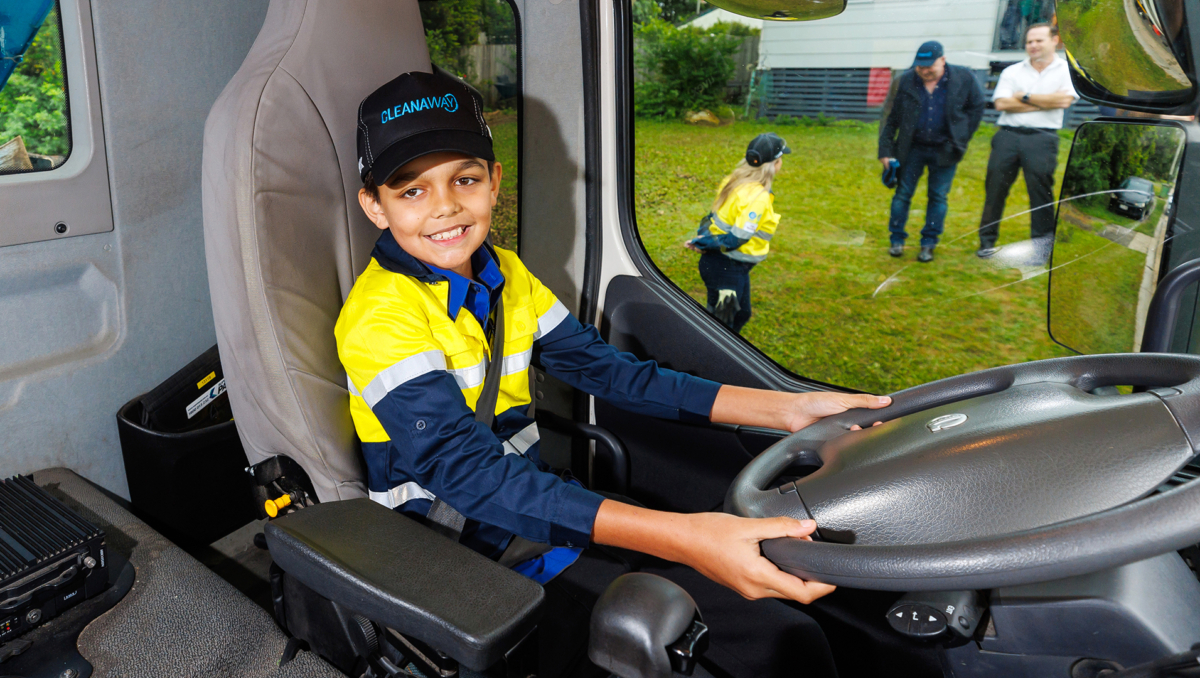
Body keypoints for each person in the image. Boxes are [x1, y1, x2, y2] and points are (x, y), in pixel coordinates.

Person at [336, 70, 891, 677]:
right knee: (770, 644)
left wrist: (787, 408)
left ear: (494, 183)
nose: (445, 206)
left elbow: (610, 371)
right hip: (457, 561)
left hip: (540, 512)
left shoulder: (506, 274)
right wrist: (685, 536)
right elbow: (469, 476)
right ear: (375, 206)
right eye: (411, 191)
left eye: (464, 179)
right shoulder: (378, 320)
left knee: (783, 631)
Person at [878, 41, 986, 263]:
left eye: (930, 66)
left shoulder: (963, 78)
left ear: (943, 60)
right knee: (902, 195)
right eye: (920, 66)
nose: (924, 71)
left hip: (945, 150)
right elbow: (889, 119)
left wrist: (961, 138)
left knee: (938, 196)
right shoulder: (904, 81)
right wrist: (886, 151)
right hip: (911, 149)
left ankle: (928, 244)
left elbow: (977, 106)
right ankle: (896, 240)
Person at [977, 23, 1078, 259]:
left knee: (1040, 194)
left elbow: (1064, 102)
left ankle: (1041, 251)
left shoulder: (1066, 71)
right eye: (1029, 41)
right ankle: (986, 243)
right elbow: (1002, 104)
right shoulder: (1011, 72)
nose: (1032, 46)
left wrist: (1023, 97)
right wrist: (1045, 100)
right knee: (994, 191)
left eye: (1038, 41)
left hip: (1042, 139)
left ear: (1055, 40)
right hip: (1007, 137)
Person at [685, 133, 788, 333]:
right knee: (722, 327)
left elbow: (711, 217)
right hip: (726, 268)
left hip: (732, 266)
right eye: (781, 159)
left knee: (741, 314)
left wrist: (703, 238)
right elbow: (736, 239)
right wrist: (703, 243)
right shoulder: (758, 197)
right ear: (774, 164)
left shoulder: (733, 180)